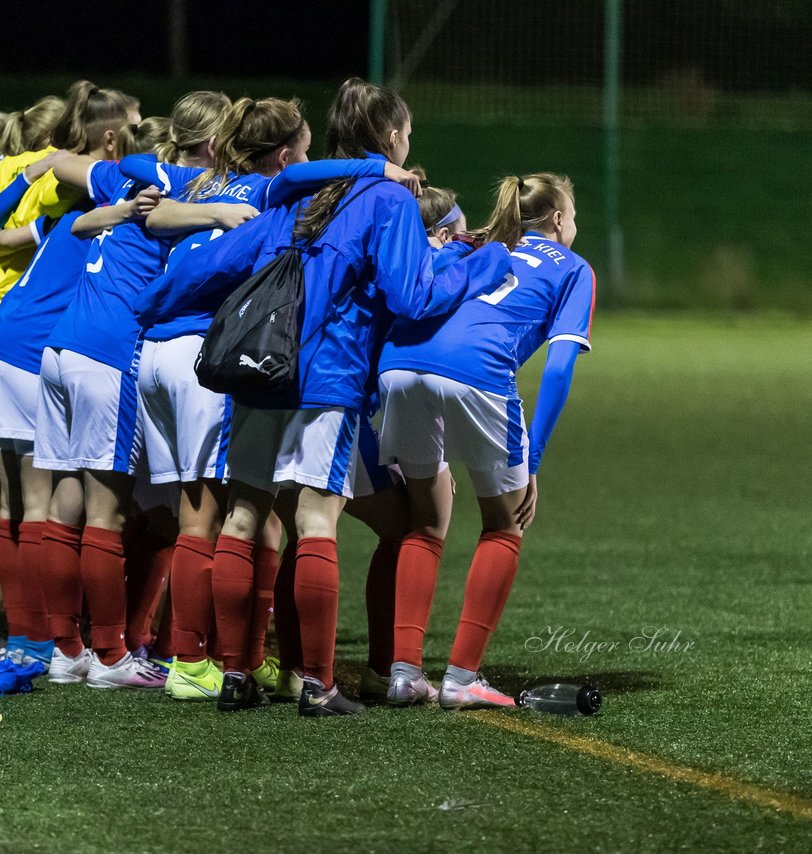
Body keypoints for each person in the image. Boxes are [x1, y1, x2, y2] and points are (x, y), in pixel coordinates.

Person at [137, 77, 513, 716]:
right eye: (408, 134)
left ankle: (235, 674)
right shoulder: (386, 202)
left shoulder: (296, 197)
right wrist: (480, 265)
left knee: (245, 515)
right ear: (392, 137)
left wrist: (153, 304)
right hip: (327, 377)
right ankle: (317, 683)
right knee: (315, 521)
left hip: (260, 372)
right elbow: (411, 296)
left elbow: (216, 262)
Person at [31, 91, 234, 690]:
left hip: (61, 346)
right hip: (111, 354)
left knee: (64, 499)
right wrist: (222, 215)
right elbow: (172, 217)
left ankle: (66, 650)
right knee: (106, 509)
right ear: (216, 141)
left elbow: (72, 186)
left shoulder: (129, 179)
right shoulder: (191, 186)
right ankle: (112, 657)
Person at [377, 173, 594, 709]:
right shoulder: (574, 268)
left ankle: (403, 674)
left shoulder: (483, 241)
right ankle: (461, 679)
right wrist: (534, 457)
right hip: (477, 370)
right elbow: (560, 368)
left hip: (400, 365)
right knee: (504, 525)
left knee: (425, 523)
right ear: (560, 220)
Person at [0, 83, 128, 636]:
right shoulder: (80, 179)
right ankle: (26, 632)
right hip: (3, 333)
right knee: (14, 495)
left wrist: (19, 185)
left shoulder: (40, 176)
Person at [0, 118, 170, 673]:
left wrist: (28, 175)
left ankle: (45, 640)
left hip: (9, 342)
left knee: (19, 500)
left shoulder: (79, 210)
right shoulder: (143, 207)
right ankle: (58, 642)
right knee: (66, 503)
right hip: (41, 351)